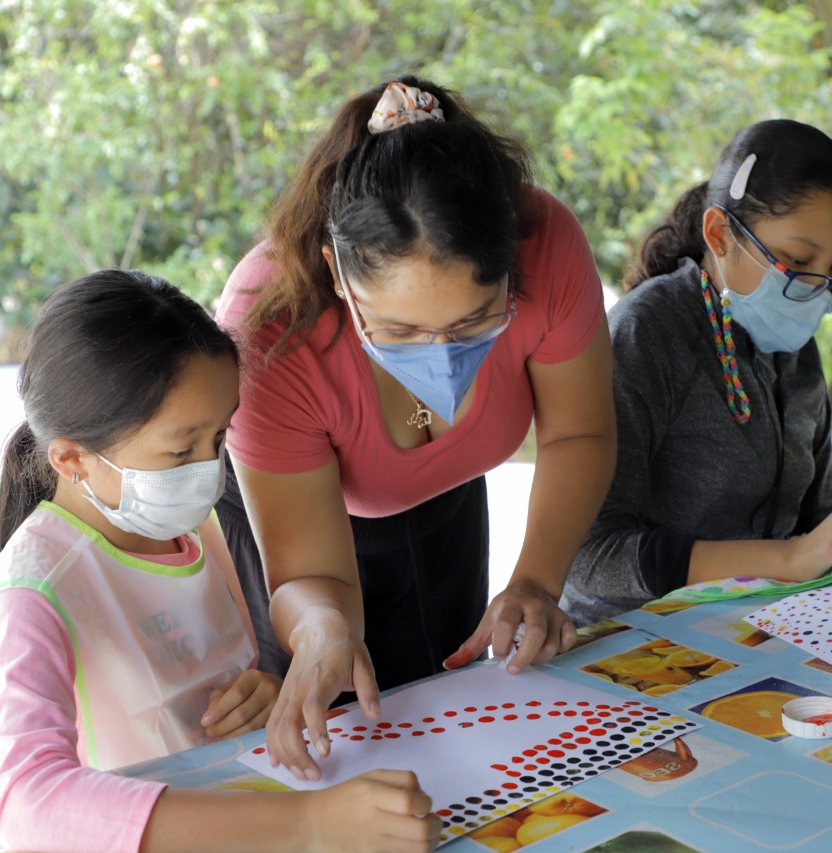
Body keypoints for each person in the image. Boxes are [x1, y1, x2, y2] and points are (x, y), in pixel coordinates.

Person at [216, 77, 615, 780]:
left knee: (450, 715)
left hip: (448, 494)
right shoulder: (268, 323)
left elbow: (578, 434)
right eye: (399, 329)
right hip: (299, 518)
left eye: (472, 322)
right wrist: (322, 630)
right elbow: (309, 576)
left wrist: (535, 581)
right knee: (329, 727)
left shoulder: (545, 238)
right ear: (338, 271)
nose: (440, 355)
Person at [0, 270, 440, 853]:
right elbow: (28, 801)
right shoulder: (32, 591)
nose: (208, 471)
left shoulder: (194, 528)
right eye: (180, 449)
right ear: (71, 458)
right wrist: (310, 826)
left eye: (218, 439)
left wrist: (264, 696)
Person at [560, 119, 832, 627]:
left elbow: (815, 520)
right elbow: (591, 557)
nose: (818, 289)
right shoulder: (647, 333)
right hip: (632, 638)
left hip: (763, 625)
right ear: (720, 234)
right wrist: (789, 560)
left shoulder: (794, 348)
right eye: (797, 260)